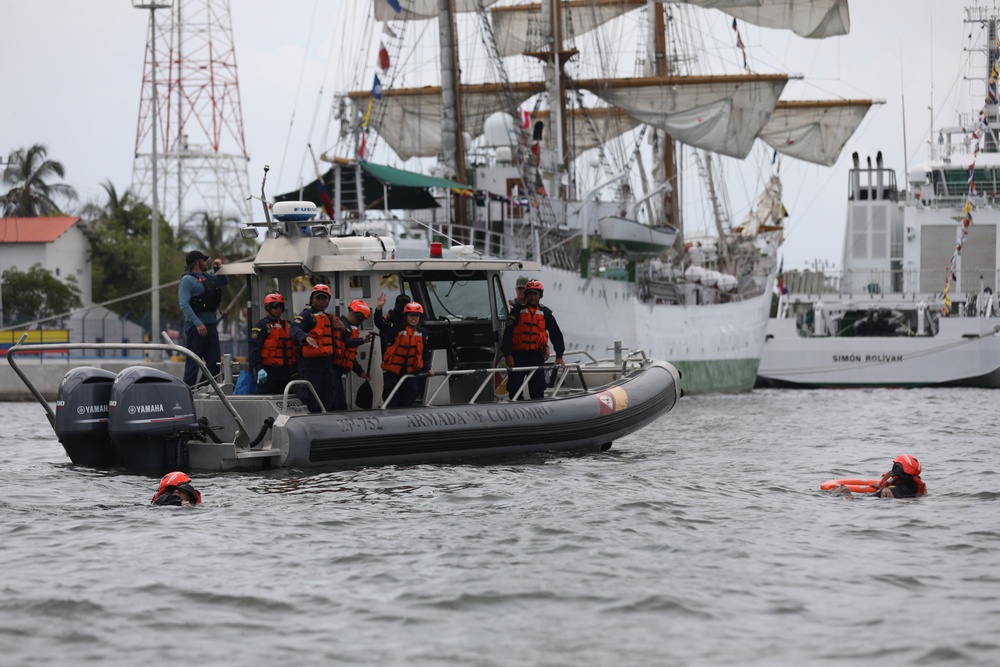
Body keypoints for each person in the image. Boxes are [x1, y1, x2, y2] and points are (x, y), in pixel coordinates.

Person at [500, 279, 566, 400]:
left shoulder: (546, 313)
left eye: (535, 294)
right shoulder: (517, 311)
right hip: (517, 358)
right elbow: (508, 333)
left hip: (536, 357)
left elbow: (556, 334)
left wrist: (559, 356)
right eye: (530, 293)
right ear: (526, 295)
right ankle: (517, 410)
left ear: (540, 295)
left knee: (537, 389)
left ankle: (538, 412)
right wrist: (508, 354)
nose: (532, 297)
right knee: (514, 388)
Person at [289, 284, 346, 413]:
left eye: (324, 298)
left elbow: (343, 337)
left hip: (327, 366)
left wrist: (343, 329)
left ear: (328, 301)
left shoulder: (329, 318)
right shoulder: (306, 315)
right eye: (318, 298)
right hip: (311, 367)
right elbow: (294, 328)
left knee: (328, 398)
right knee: (309, 398)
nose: (321, 301)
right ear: (312, 299)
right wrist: (305, 337)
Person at [178, 249, 228, 386]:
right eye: (204, 260)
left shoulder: (207, 276)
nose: (206, 262)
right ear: (197, 262)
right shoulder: (187, 280)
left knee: (214, 364)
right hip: (196, 328)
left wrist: (218, 268)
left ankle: (199, 389)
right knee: (193, 365)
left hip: (210, 327)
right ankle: (187, 394)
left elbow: (223, 281)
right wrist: (197, 323)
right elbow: (183, 304)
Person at [375, 300, 434, 408]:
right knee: (392, 401)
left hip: (411, 374)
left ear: (420, 317)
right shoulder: (396, 329)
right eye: (411, 315)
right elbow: (380, 323)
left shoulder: (423, 333)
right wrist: (379, 308)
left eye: (416, 315)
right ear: (406, 317)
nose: (413, 318)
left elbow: (423, 353)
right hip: (394, 375)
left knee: (409, 399)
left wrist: (428, 367)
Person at [248, 292, 297, 395]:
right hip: (267, 372)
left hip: (285, 371)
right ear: (268, 308)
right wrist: (259, 369)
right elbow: (254, 350)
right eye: (275, 306)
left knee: (285, 399)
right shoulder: (261, 326)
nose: (278, 309)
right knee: (264, 398)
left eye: (281, 306)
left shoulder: (287, 325)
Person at [332, 299, 374, 410]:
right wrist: (362, 340)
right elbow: (346, 343)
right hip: (332, 371)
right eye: (361, 319)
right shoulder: (342, 326)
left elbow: (349, 355)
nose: (360, 322)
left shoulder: (350, 327)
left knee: (340, 404)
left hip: (337, 371)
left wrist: (360, 372)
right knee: (338, 404)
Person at [831, 454, 928, 498]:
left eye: (895, 467)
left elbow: (869, 500)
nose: (891, 470)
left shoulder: (890, 491)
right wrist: (882, 485)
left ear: (899, 471)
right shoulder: (912, 488)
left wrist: (848, 494)